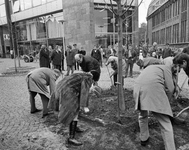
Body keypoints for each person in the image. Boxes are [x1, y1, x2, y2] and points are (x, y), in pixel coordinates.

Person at [133, 64, 180, 150]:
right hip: (151, 88)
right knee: (165, 121)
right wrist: (166, 103)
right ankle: (170, 148)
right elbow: (170, 89)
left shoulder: (155, 67)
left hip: (137, 87)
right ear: (175, 67)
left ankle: (144, 139)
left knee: (142, 114)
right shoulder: (168, 68)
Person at [48, 71, 100, 146]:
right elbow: (84, 92)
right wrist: (84, 106)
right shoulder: (88, 78)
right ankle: (71, 138)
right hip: (67, 91)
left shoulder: (81, 74)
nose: (93, 83)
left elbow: (79, 88)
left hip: (60, 87)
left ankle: (74, 127)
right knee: (73, 111)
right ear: (93, 78)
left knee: (75, 107)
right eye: (94, 81)